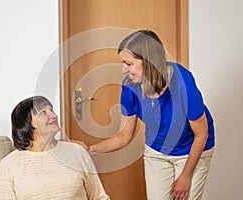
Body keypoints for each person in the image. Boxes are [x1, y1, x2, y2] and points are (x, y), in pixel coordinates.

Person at [85, 30, 215, 200]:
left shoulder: (182, 81)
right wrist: (90, 150)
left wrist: (186, 176)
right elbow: (124, 136)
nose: (123, 70)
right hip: (157, 151)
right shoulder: (130, 87)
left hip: (191, 149)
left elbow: (201, 134)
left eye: (128, 64)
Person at [0, 96, 109, 200]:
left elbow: (99, 196)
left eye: (51, 110)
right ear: (27, 123)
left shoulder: (76, 152)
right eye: (43, 112)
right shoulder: (8, 165)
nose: (54, 115)